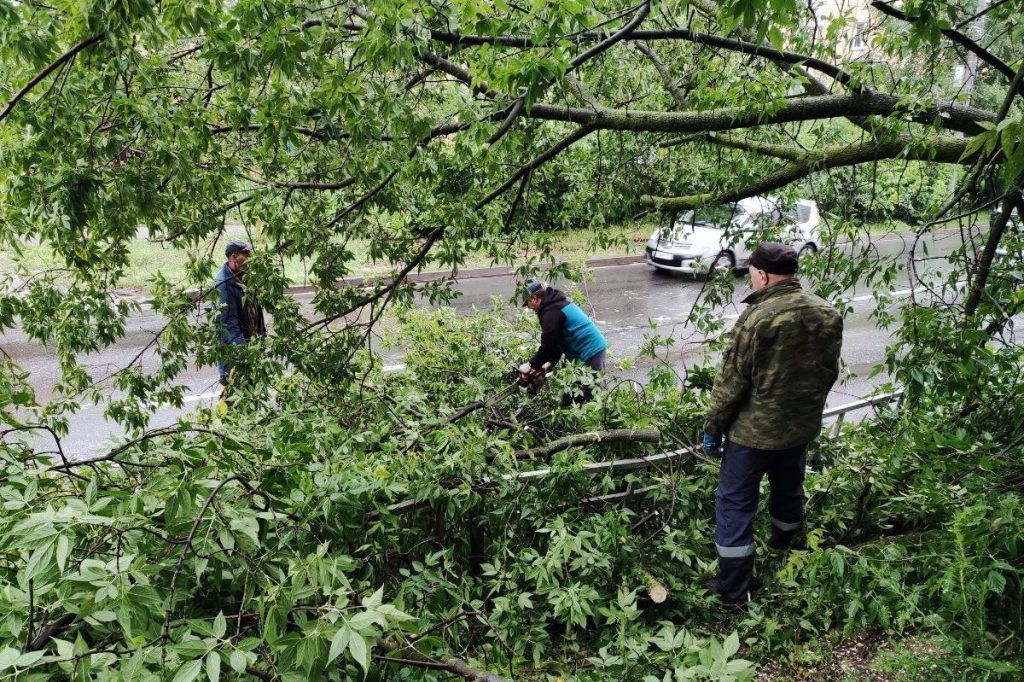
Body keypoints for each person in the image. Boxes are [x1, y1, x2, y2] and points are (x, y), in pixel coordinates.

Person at [702, 242, 843, 606]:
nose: (750, 278)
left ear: (762, 274)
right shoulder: (827, 313)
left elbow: (732, 383)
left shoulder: (758, 318)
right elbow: (829, 372)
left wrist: (713, 427)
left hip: (752, 436)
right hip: (798, 430)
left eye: (750, 272)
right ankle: (787, 557)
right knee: (788, 491)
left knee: (734, 504)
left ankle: (734, 593)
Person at [520, 281, 607, 401]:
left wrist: (530, 365)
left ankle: (602, 416)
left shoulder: (551, 312)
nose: (529, 308)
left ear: (534, 298)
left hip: (591, 350)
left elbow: (547, 347)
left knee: (592, 394)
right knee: (570, 395)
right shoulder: (553, 306)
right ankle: (572, 416)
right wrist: (549, 364)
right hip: (578, 354)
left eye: (528, 303)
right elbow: (556, 343)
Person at [214, 240, 266, 387]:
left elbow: (256, 312)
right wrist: (248, 354)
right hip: (236, 358)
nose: (250, 259)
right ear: (234, 257)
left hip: (250, 351)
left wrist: (261, 339)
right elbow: (227, 327)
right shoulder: (222, 285)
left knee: (250, 398)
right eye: (246, 255)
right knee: (239, 400)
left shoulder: (245, 277)